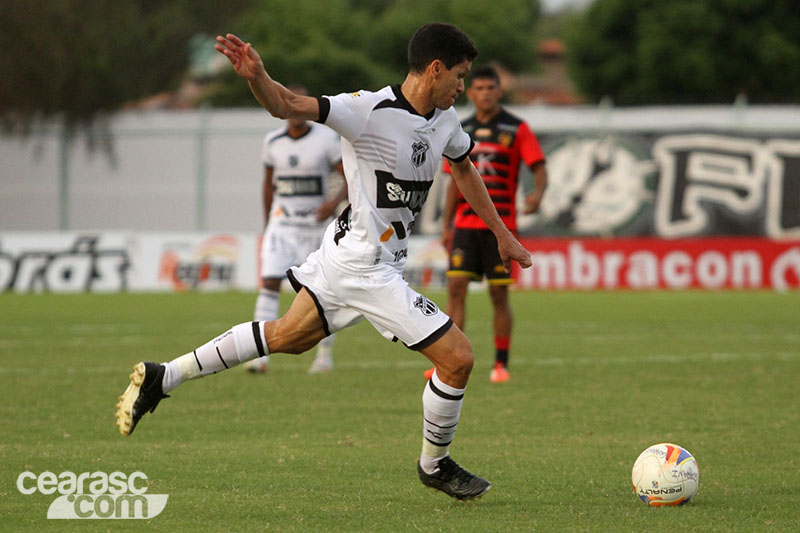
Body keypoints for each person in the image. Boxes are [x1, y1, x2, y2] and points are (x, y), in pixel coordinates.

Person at [115, 23, 532, 501]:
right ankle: (434, 465)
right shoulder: (366, 110)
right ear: (434, 69)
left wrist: (502, 233)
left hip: (349, 256)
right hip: (364, 266)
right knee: (458, 358)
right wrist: (257, 76)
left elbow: (463, 167)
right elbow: (287, 106)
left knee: (287, 338)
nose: (462, 87)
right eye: (459, 76)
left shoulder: (445, 121)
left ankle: (163, 375)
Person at [424, 65, 547, 384]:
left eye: (490, 88)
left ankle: (500, 364)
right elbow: (454, 182)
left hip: (501, 229)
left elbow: (538, 165)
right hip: (465, 225)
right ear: (472, 92)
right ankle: (448, 360)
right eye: (478, 88)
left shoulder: (517, 128)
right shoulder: (459, 128)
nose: (485, 93)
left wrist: (538, 194)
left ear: (498, 91)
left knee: (498, 296)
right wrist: (446, 226)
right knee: (456, 289)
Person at [245, 85, 347, 375]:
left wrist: (333, 204)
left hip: (314, 227)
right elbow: (268, 184)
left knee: (321, 291)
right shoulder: (272, 141)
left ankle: (324, 356)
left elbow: (349, 177)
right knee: (268, 283)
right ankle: (259, 357)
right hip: (282, 225)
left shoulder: (326, 138)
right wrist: (268, 224)